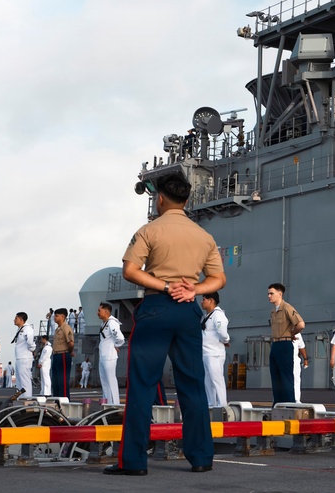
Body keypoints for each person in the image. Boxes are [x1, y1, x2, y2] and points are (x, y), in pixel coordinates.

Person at [105, 171, 226, 477]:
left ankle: (133, 462)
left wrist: (165, 286)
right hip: (188, 312)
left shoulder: (150, 230)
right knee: (193, 385)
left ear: (160, 199)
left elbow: (131, 271)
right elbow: (218, 278)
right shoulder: (204, 236)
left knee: (142, 386)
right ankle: (201, 457)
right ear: (185, 200)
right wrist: (193, 290)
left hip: (156, 309)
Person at [267, 283, 305, 405]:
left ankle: (289, 405)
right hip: (275, 345)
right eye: (268, 293)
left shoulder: (287, 308)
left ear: (280, 294)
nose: (269, 296)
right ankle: (278, 404)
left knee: (286, 377)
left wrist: (291, 334)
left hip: (284, 344)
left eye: (271, 293)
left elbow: (301, 324)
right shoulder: (273, 311)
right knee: (276, 377)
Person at [200, 292, 230, 408]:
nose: (202, 302)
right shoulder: (206, 316)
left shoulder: (218, 315)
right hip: (206, 353)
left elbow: (222, 332)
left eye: (204, 299)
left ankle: (222, 405)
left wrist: (226, 340)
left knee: (216, 379)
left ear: (211, 300)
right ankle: (211, 404)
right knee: (208, 380)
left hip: (214, 353)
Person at [97, 302, 125, 405]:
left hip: (109, 356)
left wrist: (116, 346)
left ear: (105, 311)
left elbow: (120, 338)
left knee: (111, 381)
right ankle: (107, 404)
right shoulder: (104, 323)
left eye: (99, 310)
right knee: (105, 383)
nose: (97, 312)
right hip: (103, 356)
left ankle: (115, 404)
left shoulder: (112, 323)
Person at [50, 308, 74, 397]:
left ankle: (64, 401)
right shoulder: (58, 329)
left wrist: (69, 352)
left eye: (56, 316)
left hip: (63, 355)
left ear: (63, 317)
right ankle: (57, 400)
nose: (54, 318)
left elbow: (71, 343)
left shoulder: (66, 328)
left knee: (62, 381)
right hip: (56, 355)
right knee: (55, 382)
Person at [12, 312, 35, 397]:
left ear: (21, 320)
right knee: (19, 381)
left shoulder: (28, 329)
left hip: (25, 358)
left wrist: (32, 349)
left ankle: (27, 399)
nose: (14, 320)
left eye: (16, 318)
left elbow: (30, 343)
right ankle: (20, 399)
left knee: (25, 381)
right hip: (19, 357)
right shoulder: (20, 329)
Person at [293, 332, 309, 402]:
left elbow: (301, 346)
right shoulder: (282, 331)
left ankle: (296, 399)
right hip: (284, 359)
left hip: (295, 359)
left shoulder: (297, 334)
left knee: (296, 379)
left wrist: (305, 359)